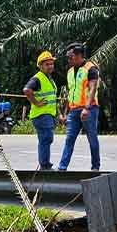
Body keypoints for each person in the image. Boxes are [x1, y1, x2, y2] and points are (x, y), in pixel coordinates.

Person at [57, 42, 101, 172]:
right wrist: (65, 112)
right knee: (69, 139)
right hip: (73, 110)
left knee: (92, 138)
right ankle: (62, 167)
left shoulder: (91, 68)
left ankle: (95, 167)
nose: (69, 59)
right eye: (68, 57)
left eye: (71, 57)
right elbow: (70, 92)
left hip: (89, 109)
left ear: (79, 55)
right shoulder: (70, 71)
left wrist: (86, 108)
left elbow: (93, 88)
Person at [23, 51, 58, 170]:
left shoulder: (48, 78)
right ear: (41, 66)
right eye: (47, 64)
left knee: (46, 138)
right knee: (46, 137)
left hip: (48, 114)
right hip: (41, 115)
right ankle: (44, 164)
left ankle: (45, 163)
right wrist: (36, 103)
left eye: (51, 64)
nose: (50, 66)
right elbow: (27, 90)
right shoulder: (37, 78)